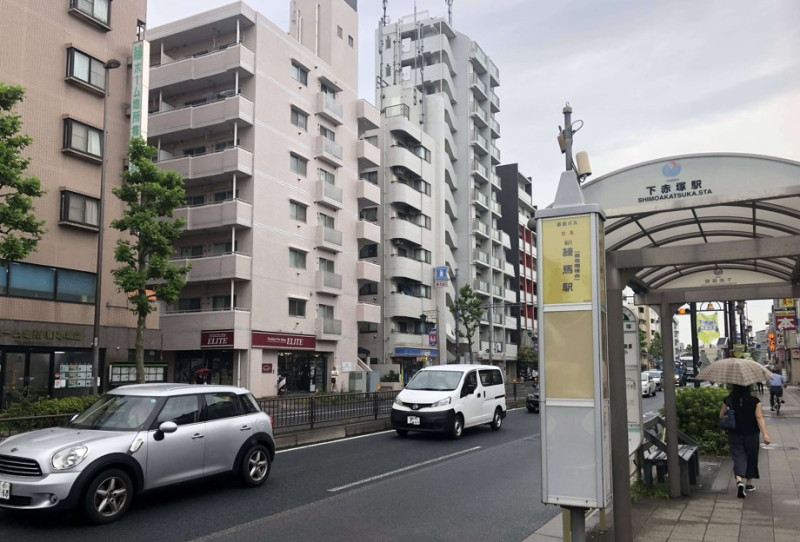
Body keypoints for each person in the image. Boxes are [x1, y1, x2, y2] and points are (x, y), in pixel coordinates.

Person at [720, 384, 770, 498]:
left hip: (734, 433)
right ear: (749, 388)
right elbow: (759, 417)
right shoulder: (755, 401)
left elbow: (721, 415)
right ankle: (749, 484)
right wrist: (766, 435)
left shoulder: (728, 400)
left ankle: (739, 481)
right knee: (751, 456)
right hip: (751, 433)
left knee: (738, 456)